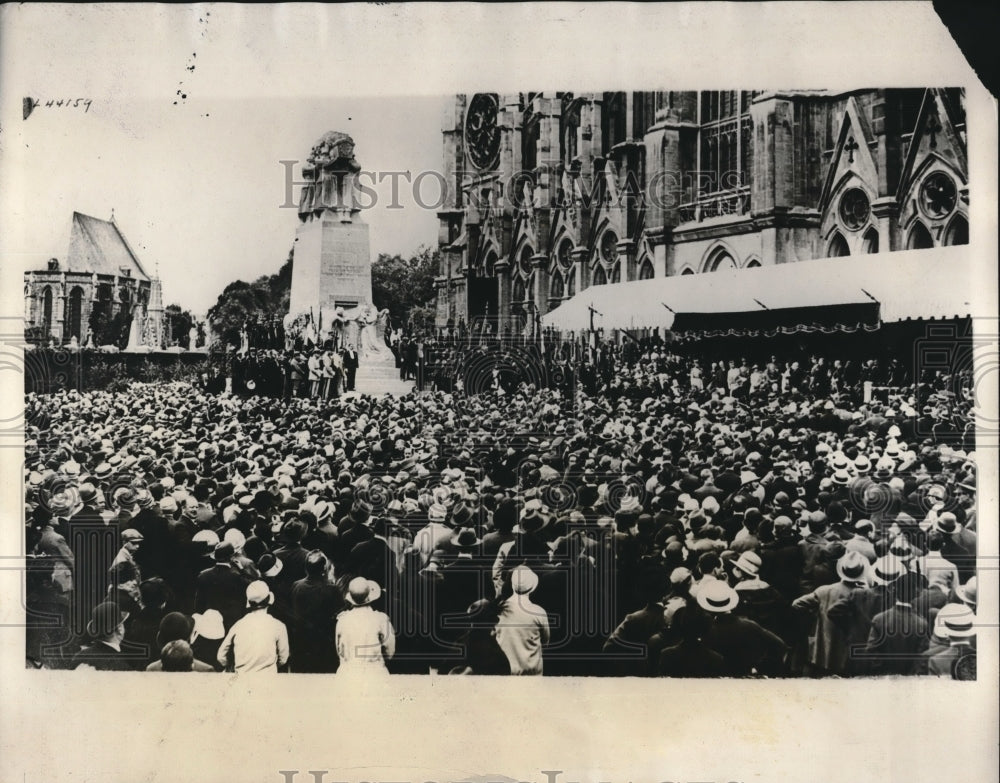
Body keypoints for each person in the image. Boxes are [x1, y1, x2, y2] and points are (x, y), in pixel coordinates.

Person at [216, 581, 290, 673]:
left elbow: (221, 657)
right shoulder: (279, 626)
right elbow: (283, 659)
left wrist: (233, 666)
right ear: (269, 600)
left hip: (242, 680)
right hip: (267, 680)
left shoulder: (238, 625)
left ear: (249, 602)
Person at [495, 565, 550, 675]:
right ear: (532, 587)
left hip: (505, 671)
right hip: (532, 673)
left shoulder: (499, 609)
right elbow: (545, 642)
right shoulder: (539, 612)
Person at [335, 577, 395, 673]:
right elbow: (390, 652)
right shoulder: (381, 619)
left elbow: (339, 652)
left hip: (348, 673)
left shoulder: (342, 620)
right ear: (368, 596)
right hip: (374, 672)